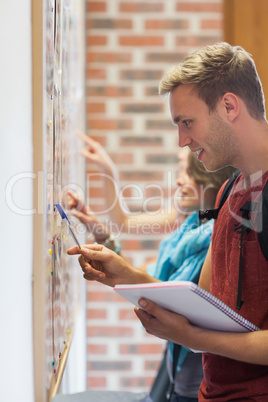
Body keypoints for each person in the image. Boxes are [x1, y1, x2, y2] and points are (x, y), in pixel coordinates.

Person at [68, 42, 268, 400]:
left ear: (229, 106)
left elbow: (199, 328)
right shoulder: (227, 193)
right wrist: (125, 276)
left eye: (187, 122)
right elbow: (205, 301)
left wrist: (191, 338)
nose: (182, 140)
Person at [68, 146, 234, 401]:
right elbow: (137, 276)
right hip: (173, 385)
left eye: (187, 171)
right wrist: (103, 238)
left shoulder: (217, 242)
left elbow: (149, 287)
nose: (179, 179)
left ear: (211, 178)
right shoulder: (192, 226)